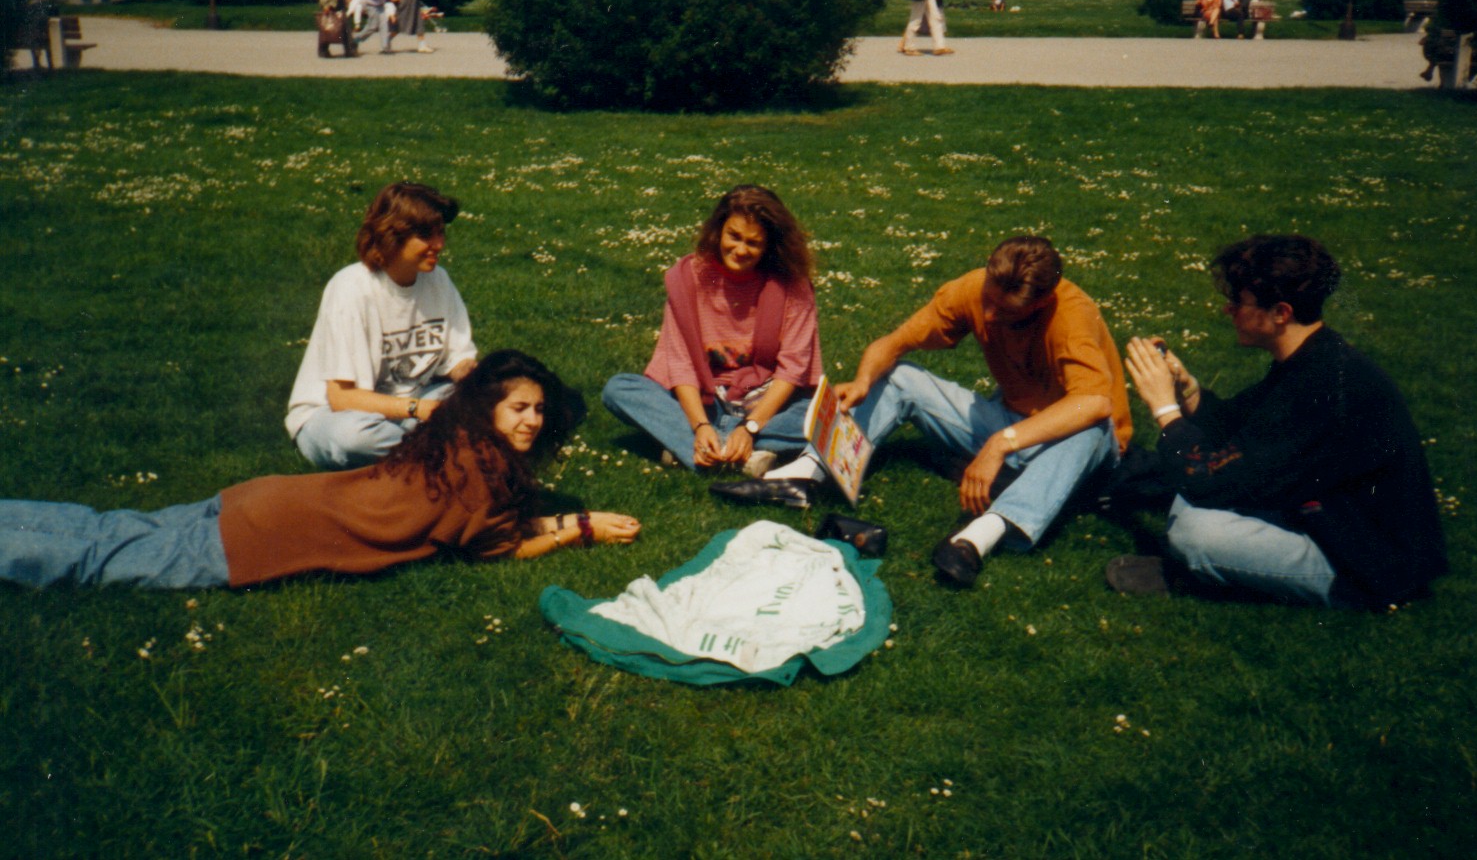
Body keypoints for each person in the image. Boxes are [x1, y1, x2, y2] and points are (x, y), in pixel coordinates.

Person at [0, 350, 642, 590]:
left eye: (538, 411)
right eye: (519, 408)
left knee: (113, 526)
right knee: (100, 561)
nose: (531, 421)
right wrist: (579, 528)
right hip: (260, 538)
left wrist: (568, 517)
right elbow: (498, 548)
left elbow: (499, 522)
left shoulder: (453, 441)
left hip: (264, 499)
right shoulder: (482, 474)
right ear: (488, 408)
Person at [715, 235, 1131, 589]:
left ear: (1041, 303)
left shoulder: (1070, 315)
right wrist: (863, 382)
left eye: (1006, 313)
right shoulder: (973, 288)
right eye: (988, 301)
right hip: (1010, 424)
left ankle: (979, 536)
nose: (989, 315)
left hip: (1074, 451)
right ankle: (806, 475)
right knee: (899, 376)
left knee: (1092, 427)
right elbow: (894, 344)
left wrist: (1000, 445)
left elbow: (1096, 403)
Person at [1105, 235, 1446, 608]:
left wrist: (1163, 409)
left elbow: (1207, 480)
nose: (1228, 310)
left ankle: (1195, 575)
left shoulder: (1324, 386)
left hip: (1365, 564)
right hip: (1324, 519)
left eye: (1239, 303)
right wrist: (1188, 393)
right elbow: (1241, 429)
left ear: (1281, 313)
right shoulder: (1316, 357)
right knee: (1187, 495)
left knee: (1193, 532)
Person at [602, 185, 822, 478]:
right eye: (734, 236)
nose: (740, 250)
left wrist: (750, 427)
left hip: (768, 405)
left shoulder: (793, 285)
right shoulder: (689, 278)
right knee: (619, 389)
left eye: (753, 243)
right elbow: (680, 363)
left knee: (828, 415)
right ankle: (737, 453)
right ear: (719, 231)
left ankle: (691, 446)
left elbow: (793, 370)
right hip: (706, 401)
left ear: (770, 246)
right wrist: (700, 425)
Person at [287, 181, 478, 470]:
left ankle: (423, 458)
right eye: (426, 235)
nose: (439, 244)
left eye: (441, 232)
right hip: (338, 415)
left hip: (414, 405)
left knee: (481, 406)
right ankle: (441, 457)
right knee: (353, 438)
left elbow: (457, 360)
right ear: (392, 236)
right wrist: (419, 410)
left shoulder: (438, 280)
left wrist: (473, 375)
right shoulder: (351, 288)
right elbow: (341, 398)